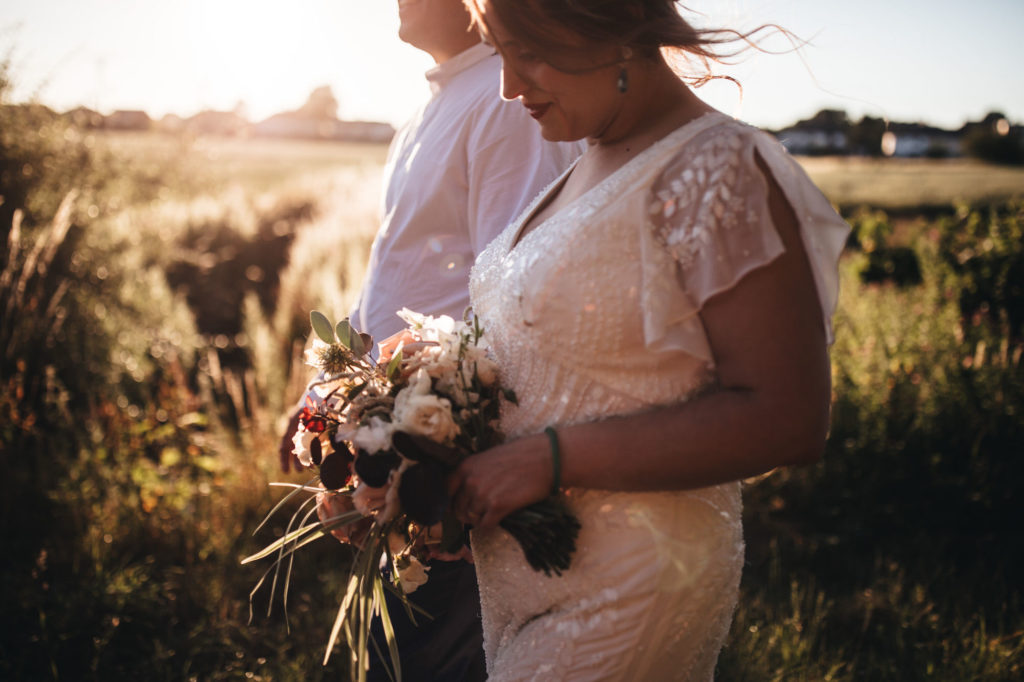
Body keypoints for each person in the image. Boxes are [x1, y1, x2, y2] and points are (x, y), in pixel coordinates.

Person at [446, 1, 851, 680]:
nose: (509, 87)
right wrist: (424, 443)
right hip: (528, 580)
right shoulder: (584, 158)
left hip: (633, 584)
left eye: (530, 51)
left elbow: (788, 416)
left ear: (611, 25)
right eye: (499, 54)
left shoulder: (719, 167)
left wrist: (547, 460)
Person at [281, 1, 583, 680]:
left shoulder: (509, 109)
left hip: (449, 473)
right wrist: (325, 399)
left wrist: (435, 467)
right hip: (394, 445)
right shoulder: (430, 108)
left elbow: (512, 302)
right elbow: (395, 276)